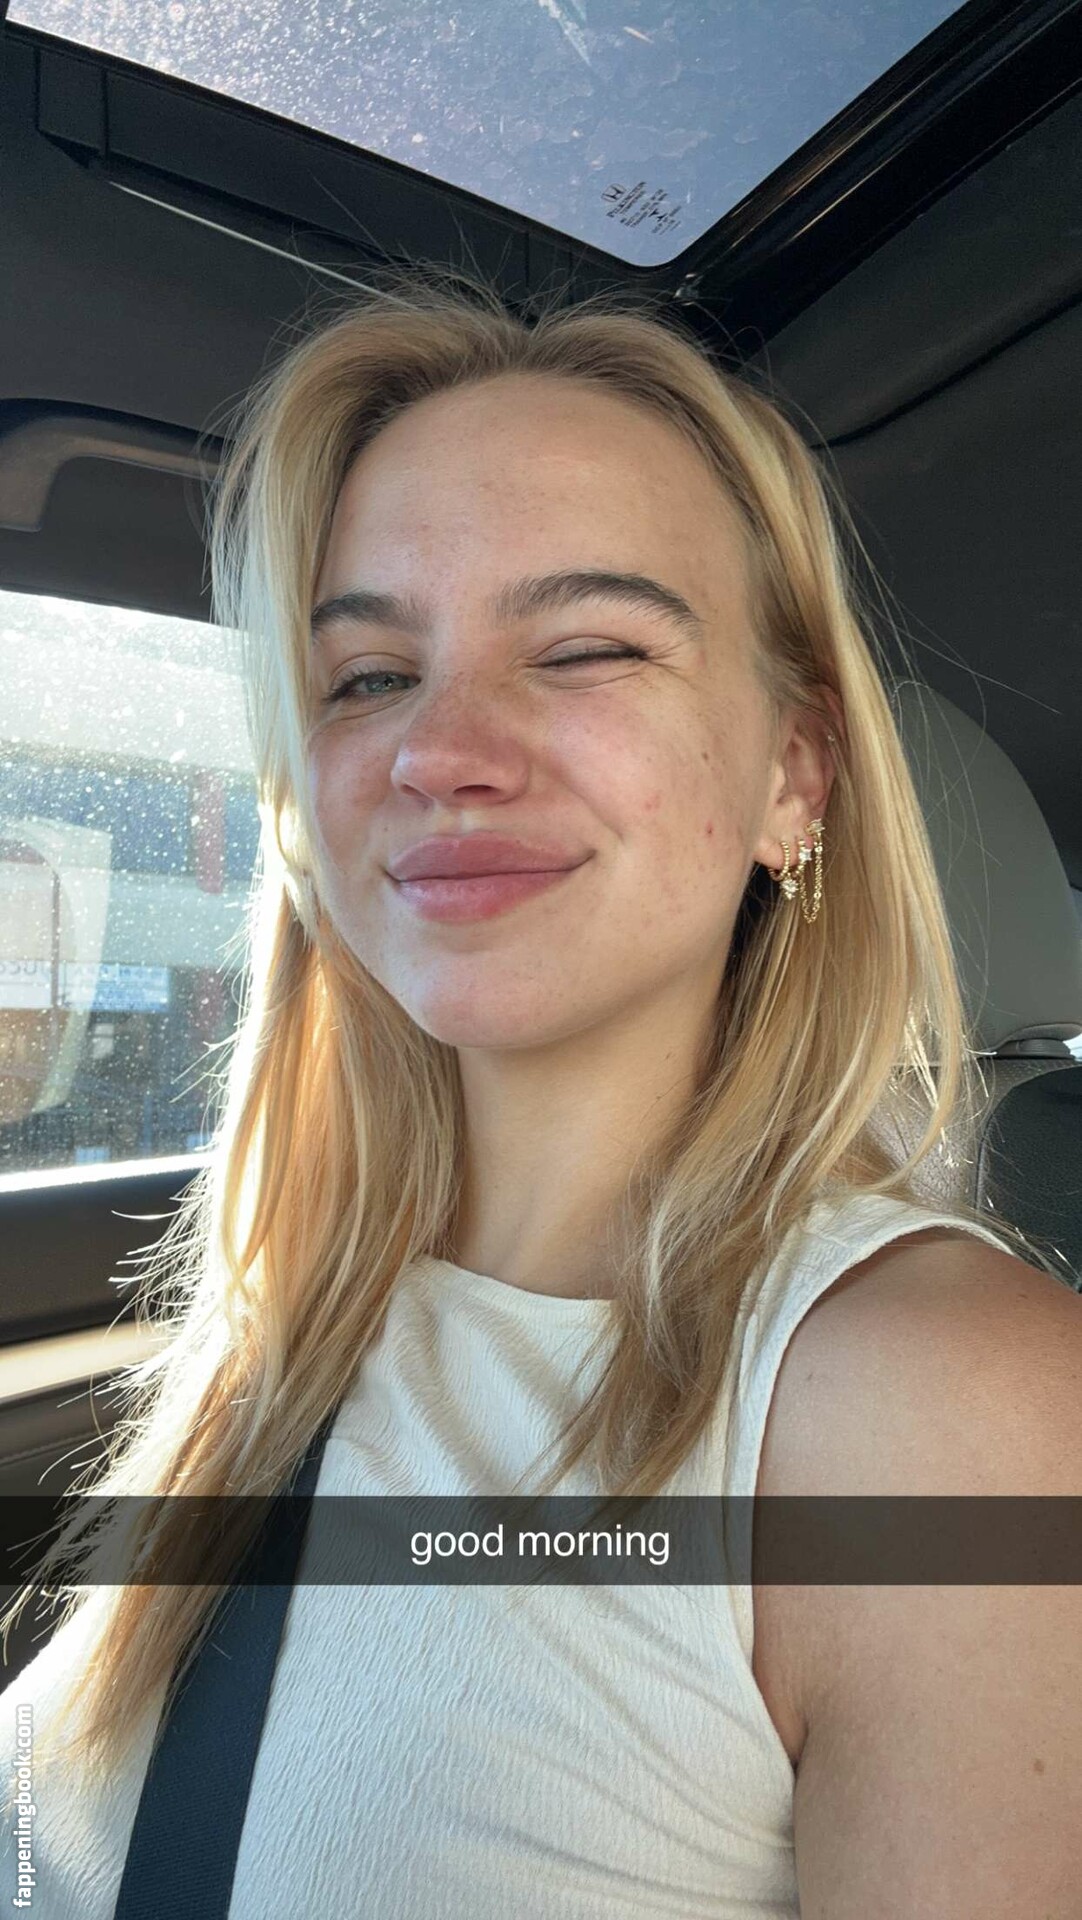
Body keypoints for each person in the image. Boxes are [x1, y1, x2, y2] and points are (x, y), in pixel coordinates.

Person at [2, 264, 1080, 1918]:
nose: (440, 750)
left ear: (792, 775)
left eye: (583, 648)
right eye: (368, 676)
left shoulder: (941, 1404)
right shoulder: (289, 1308)